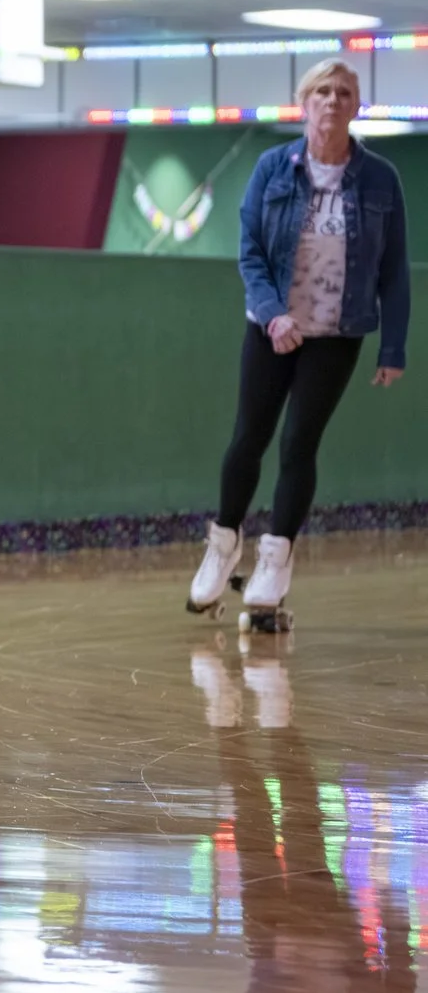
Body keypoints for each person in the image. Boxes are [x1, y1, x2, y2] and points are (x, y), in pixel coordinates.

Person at [187, 58, 407, 629]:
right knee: (247, 440)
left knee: (298, 444)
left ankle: (275, 561)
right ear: (304, 103)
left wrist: (393, 347)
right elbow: (251, 253)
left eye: (344, 93)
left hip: (338, 331)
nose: (332, 101)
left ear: (356, 106)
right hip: (272, 328)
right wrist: (271, 315)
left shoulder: (380, 179)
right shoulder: (272, 168)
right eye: (322, 92)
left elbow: (394, 270)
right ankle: (223, 543)